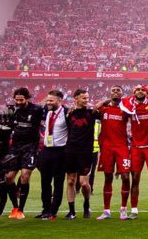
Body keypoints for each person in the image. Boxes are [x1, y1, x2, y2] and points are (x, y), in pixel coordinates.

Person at [3, 87, 45, 219]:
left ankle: (21, 209)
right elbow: (7, 127)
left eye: (21, 100)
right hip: (15, 148)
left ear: (27, 98)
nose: (19, 102)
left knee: (25, 176)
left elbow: (48, 117)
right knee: (9, 178)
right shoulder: (12, 111)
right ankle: (15, 207)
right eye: (17, 100)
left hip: (30, 147)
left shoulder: (37, 109)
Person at [123, 85, 148, 220]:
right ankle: (134, 210)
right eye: (137, 90)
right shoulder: (128, 106)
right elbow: (118, 102)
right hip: (136, 147)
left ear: (147, 92)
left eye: (142, 90)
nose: (140, 91)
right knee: (135, 179)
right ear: (134, 93)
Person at [95, 86, 132, 220]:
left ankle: (123, 209)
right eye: (113, 90)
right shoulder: (103, 109)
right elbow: (93, 109)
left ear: (122, 94)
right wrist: (103, 102)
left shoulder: (125, 110)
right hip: (107, 147)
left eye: (118, 90)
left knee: (126, 177)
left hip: (122, 146)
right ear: (109, 93)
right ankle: (107, 211)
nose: (115, 92)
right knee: (108, 177)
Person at [63, 89, 100, 219]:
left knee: (84, 183)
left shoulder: (92, 113)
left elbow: (103, 106)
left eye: (87, 98)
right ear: (76, 99)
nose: (86, 100)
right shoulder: (70, 114)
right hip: (70, 150)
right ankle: (71, 211)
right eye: (84, 98)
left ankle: (86, 203)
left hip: (85, 152)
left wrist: (102, 103)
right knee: (71, 181)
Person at [36, 90, 69, 220]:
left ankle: (53, 210)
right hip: (47, 150)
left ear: (59, 101)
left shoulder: (66, 113)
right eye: (48, 100)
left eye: (51, 100)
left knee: (58, 182)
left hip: (60, 151)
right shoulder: (46, 110)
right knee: (45, 181)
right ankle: (45, 209)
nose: (48, 102)